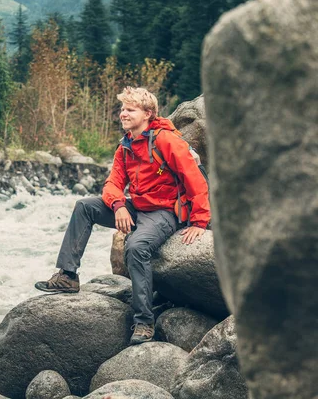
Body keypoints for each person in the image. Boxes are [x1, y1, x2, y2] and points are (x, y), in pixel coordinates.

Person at [35, 87, 211, 345]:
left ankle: (144, 321)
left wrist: (198, 222)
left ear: (148, 114)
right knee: (85, 206)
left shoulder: (166, 140)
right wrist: (118, 205)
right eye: (122, 109)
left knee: (136, 246)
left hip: (164, 212)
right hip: (136, 207)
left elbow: (195, 180)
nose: (123, 114)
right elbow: (112, 184)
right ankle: (67, 276)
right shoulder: (126, 145)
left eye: (130, 109)